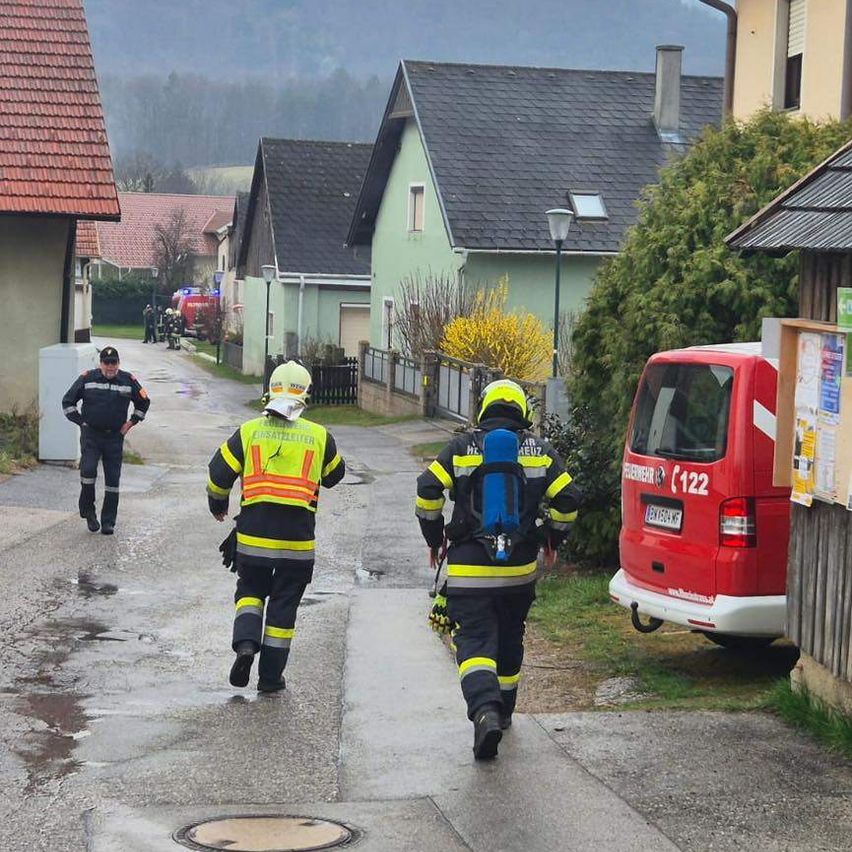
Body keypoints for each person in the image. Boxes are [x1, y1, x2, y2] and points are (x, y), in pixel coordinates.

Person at [416, 379, 581, 760]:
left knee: (474, 643)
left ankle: (485, 712)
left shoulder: (461, 447)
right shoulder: (540, 451)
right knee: (509, 637)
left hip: (469, 571)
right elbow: (569, 498)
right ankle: (504, 713)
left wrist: (434, 538)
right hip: (519, 571)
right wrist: (551, 539)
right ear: (523, 411)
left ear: (483, 408)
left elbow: (427, 489)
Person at [207, 360, 345, 693]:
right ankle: (270, 678)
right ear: (306, 394)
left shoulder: (249, 431)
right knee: (284, 607)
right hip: (297, 544)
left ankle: (245, 645)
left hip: (253, 537)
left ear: (269, 391)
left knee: (250, 591)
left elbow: (218, 473)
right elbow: (335, 476)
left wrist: (218, 503)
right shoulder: (319, 436)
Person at [61, 346, 151, 535]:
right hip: (91, 435)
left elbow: (144, 402)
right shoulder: (87, 378)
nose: (110, 367)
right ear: (100, 363)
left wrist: (131, 423)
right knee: (88, 472)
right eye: (106, 363)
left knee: (112, 480)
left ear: (118, 363)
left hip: (114, 437)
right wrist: (81, 422)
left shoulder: (128, 380)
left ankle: (108, 521)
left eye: (113, 363)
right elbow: (67, 402)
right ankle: (88, 511)